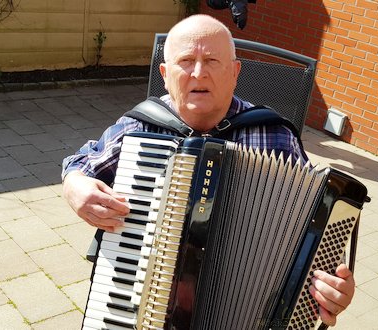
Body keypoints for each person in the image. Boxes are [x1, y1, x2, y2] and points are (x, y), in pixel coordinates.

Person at [62, 14, 355, 327]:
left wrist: (332, 288)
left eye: (212, 60)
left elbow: (313, 235)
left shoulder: (276, 138)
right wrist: (74, 186)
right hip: (140, 304)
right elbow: (81, 164)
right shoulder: (140, 127)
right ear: (165, 74)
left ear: (235, 72)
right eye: (186, 60)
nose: (198, 73)